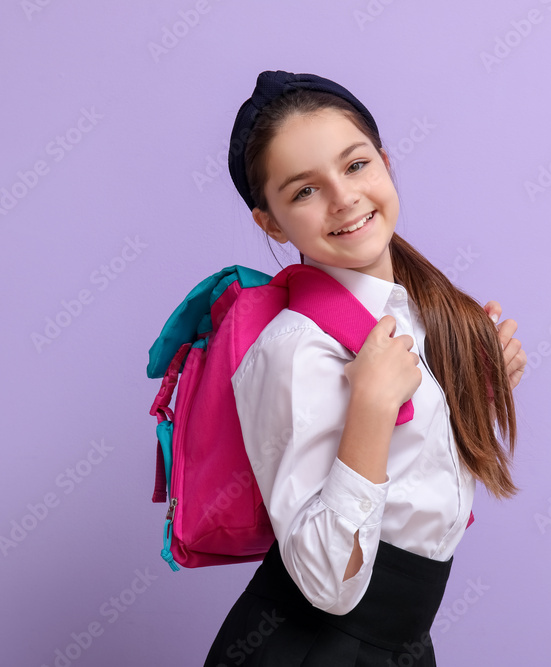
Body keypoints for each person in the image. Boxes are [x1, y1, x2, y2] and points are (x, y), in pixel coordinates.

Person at [203, 70, 526, 666]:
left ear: (383, 162)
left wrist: (474, 398)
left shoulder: (422, 312)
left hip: (399, 644)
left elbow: (417, 504)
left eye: (355, 166)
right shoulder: (294, 348)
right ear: (270, 222)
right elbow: (327, 585)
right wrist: (373, 407)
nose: (344, 197)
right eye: (304, 191)